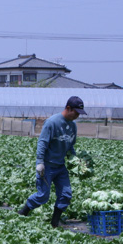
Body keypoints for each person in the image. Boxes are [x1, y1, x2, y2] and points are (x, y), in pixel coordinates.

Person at [18, 96, 86, 227]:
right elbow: (42, 143)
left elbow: (70, 145)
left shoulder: (73, 125)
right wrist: (40, 162)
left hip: (60, 166)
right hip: (47, 165)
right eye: (76, 112)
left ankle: (55, 222)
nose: (77, 116)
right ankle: (23, 212)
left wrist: (75, 160)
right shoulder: (52, 122)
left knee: (66, 194)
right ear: (68, 108)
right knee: (43, 196)